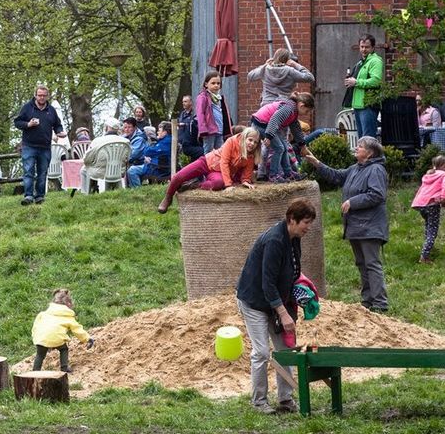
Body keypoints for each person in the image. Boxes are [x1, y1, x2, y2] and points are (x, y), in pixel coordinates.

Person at [236, 198, 317, 414]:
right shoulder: (275, 241)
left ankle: (286, 400)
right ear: (292, 219)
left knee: (286, 350)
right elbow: (267, 283)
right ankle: (259, 402)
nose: (308, 227)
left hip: (275, 301)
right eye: (306, 223)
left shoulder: (294, 238)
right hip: (254, 301)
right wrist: (283, 313)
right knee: (262, 352)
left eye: (310, 223)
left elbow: (292, 270)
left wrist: (302, 289)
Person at [303, 136, 389, 311]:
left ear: (370, 153)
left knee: (372, 264)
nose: (356, 148)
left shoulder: (376, 170)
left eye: (360, 146)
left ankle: (380, 304)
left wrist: (352, 202)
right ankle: (367, 301)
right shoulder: (356, 168)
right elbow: (337, 176)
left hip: (370, 227)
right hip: (356, 225)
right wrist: (317, 163)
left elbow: (377, 194)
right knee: (361, 263)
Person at [157, 127, 261, 213]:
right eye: (250, 140)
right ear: (244, 138)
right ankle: (168, 197)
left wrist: (246, 181)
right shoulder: (232, 141)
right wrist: (228, 185)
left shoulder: (251, 155)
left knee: (218, 183)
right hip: (208, 161)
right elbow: (224, 162)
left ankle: (194, 185)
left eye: (255, 142)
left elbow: (247, 172)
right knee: (178, 176)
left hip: (218, 172)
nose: (252, 144)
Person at [14, 84, 66, 205]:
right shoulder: (27, 108)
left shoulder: (51, 110)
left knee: (42, 173)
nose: (41, 98)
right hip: (29, 146)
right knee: (28, 171)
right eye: (39, 95)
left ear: (47, 96)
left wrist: (59, 132)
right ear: (35, 95)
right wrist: (28, 124)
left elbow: (57, 124)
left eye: (44, 95)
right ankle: (28, 196)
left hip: (45, 147)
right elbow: (17, 122)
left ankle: (40, 196)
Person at [250, 92, 314, 182]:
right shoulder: (289, 108)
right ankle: (273, 175)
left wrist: (302, 145)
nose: (306, 114)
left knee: (284, 146)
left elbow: (296, 129)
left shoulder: (294, 111)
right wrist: (268, 137)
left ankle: (289, 173)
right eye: (307, 111)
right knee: (279, 148)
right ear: (301, 106)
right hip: (261, 123)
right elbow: (274, 120)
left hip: (267, 125)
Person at [31, 288, 94, 373]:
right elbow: (77, 329)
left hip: (41, 338)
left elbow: (36, 326)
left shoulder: (43, 314)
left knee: (40, 354)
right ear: (68, 304)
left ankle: (35, 371)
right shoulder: (68, 317)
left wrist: (37, 338)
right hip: (57, 339)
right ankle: (64, 368)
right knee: (64, 349)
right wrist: (87, 339)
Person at [343, 34, 383, 139]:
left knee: (368, 139)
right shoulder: (360, 63)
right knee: (361, 139)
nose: (364, 50)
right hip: (358, 105)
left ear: (373, 48)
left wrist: (356, 82)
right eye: (362, 47)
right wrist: (350, 82)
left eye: (367, 47)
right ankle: (364, 156)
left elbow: (376, 81)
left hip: (368, 105)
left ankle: (372, 156)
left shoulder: (375, 61)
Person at [247, 48, 315, 107]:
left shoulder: (265, 69)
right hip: (283, 105)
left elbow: (250, 76)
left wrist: (265, 64)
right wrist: (296, 65)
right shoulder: (290, 71)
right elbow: (310, 77)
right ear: (288, 59)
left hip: (267, 105)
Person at [78, 119, 129, 195]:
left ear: (107, 127)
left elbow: (86, 159)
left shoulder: (98, 141)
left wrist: (91, 163)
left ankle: (86, 193)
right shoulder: (126, 141)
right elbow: (127, 159)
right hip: (119, 171)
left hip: (100, 172)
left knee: (84, 169)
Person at [411, 155, 445, 264]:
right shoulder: (443, 175)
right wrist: (443, 200)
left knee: (428, 226)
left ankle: (429, 248)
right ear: (443, 166)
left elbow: (422, 189)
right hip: (432, 204)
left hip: (421, 204)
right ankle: (424, 256)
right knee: (433, 231)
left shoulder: (428, 174)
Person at [196, 70, 231, 153]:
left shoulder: (220, 98)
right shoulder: (203, 97)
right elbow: (200, 114)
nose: (216, 85)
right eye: (213, 83)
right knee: (208, 153)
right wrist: (203, 129)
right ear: (206, 84)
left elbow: (224, 114)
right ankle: (207, 166)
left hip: (220, 130)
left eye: (218, 83)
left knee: (220, 153)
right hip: (209, 131)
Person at [177, 95, 204, 160]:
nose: (183, 103)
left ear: (191, 102)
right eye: (183, 102)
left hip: (192, 143)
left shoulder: (194, 114)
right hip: (181, 143)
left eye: (185, 101)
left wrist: (185, 124)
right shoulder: (182, 114)